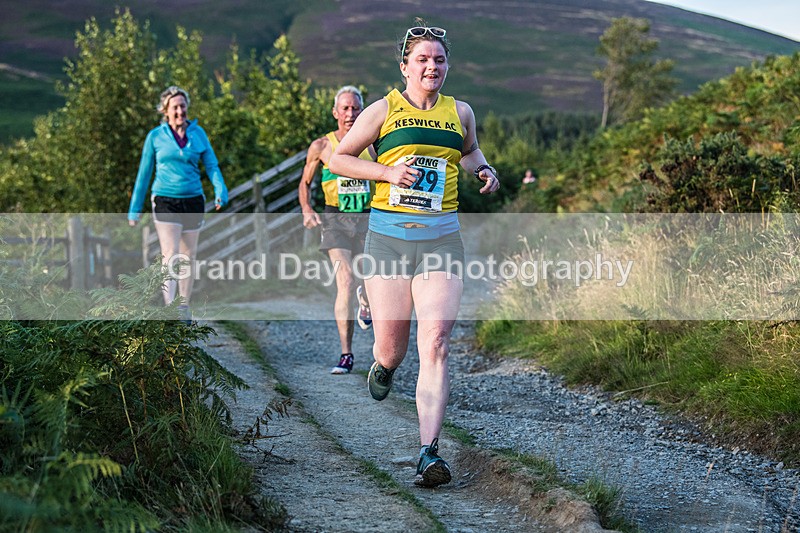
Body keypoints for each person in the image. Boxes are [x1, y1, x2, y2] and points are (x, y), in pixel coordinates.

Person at [329, 21, 500, 488]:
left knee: (437, 342)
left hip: (442, 241)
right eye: (422, 59)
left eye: (439, 59)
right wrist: (387, 173)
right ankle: (383, 363)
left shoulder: (460, 111)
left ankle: (428, 453)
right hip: (388, 240)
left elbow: (469, 151)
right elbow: (339, 159)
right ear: (404, 66)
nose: (432, 66)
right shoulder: (384, 109)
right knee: (393, 349)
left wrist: (483, 169)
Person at [128, 86, 228, 323]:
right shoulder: (155, 137)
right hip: (165, 199)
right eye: (175, 107)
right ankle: (169, 308)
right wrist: (134, 208)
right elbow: (144, 174)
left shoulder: (198, 134)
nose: (180, 111)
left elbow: (211, 165)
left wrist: (220, 189)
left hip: (193, 200)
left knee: (188, 255)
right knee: (171, 253)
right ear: (165, 111)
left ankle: (183, 306)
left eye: (183, 106)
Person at [298, 86, 375, 374]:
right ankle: (346, 354)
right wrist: (307, 208)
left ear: (362, 111)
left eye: (355, 108)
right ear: (335, 112)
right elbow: (305, 183)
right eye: (345, 108)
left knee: (369, 278)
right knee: (346, 280)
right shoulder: (322, 146)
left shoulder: (372, 145)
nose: (350, 114)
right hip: (335, 220)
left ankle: (366, 301)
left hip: (367, 219)